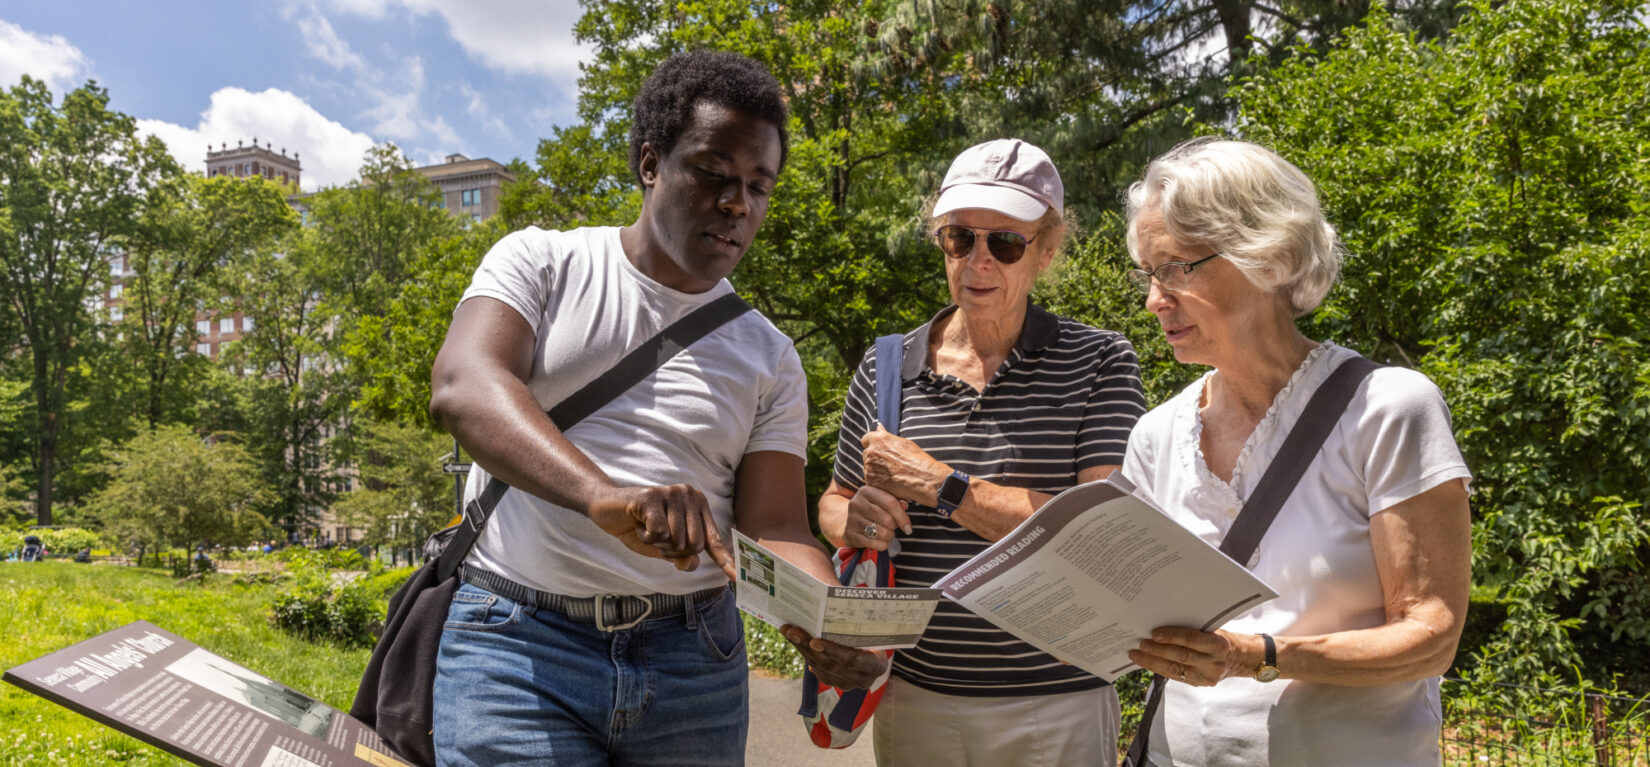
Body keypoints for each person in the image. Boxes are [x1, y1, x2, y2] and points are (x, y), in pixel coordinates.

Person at [426, 50, 884, 766]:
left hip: (693, 663)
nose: (738, 203)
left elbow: (774, 523)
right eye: (713, 172)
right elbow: (464, 383)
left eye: (759, 186)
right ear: (650, 163)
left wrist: (825, 614)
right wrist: (602, 497)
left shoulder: (769, 356)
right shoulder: (541, 263)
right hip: (516, 646)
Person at [1119, 137, 1473, 766]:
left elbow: (1430, 638)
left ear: (1269, 255)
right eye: (1149, 274)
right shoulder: (1156, 435)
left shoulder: (1387, 408)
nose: (1155, 300)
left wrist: (1257, 658)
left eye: (1176, 267)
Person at [817, 138, 1148, 766]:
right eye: (959, 237)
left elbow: (1103, 534)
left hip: (1057, 698)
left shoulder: (1100, 360)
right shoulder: (887, 365)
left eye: (1005, 242)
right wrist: (852, 518)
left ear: (1047, 251)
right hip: (912, 694)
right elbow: (834, 501)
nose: (978, 261)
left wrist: (944, 485)